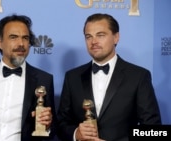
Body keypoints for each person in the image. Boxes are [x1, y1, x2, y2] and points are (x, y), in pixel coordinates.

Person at [57, 13, 162, 141]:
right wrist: (76, 133)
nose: (94, 41)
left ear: (116, 37)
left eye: (100, 35)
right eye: (88, 37)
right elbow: (61, 123)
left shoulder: (138, 76)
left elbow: (153, 130)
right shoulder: (72, 77)